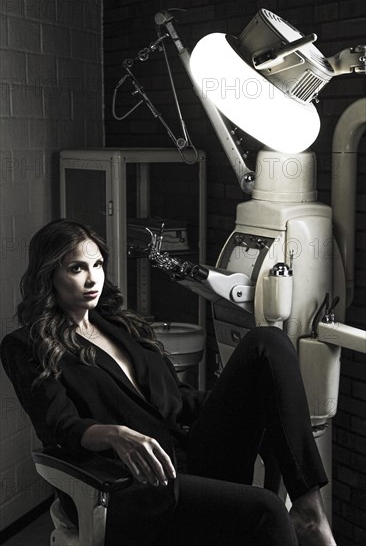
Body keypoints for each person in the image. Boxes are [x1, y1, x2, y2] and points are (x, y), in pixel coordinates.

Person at [0, 219, 337, 546]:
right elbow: (59, 426)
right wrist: (114, 434)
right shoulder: (28, 345)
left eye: (98, 265)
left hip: (190, 455)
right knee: (267, 507)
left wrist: (250, 400)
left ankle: (309, 512)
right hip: (135, 484)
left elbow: (177, 400)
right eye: (77, 269)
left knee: (268, 342)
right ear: (50, 275)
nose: (92, 279)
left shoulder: (121, 326)